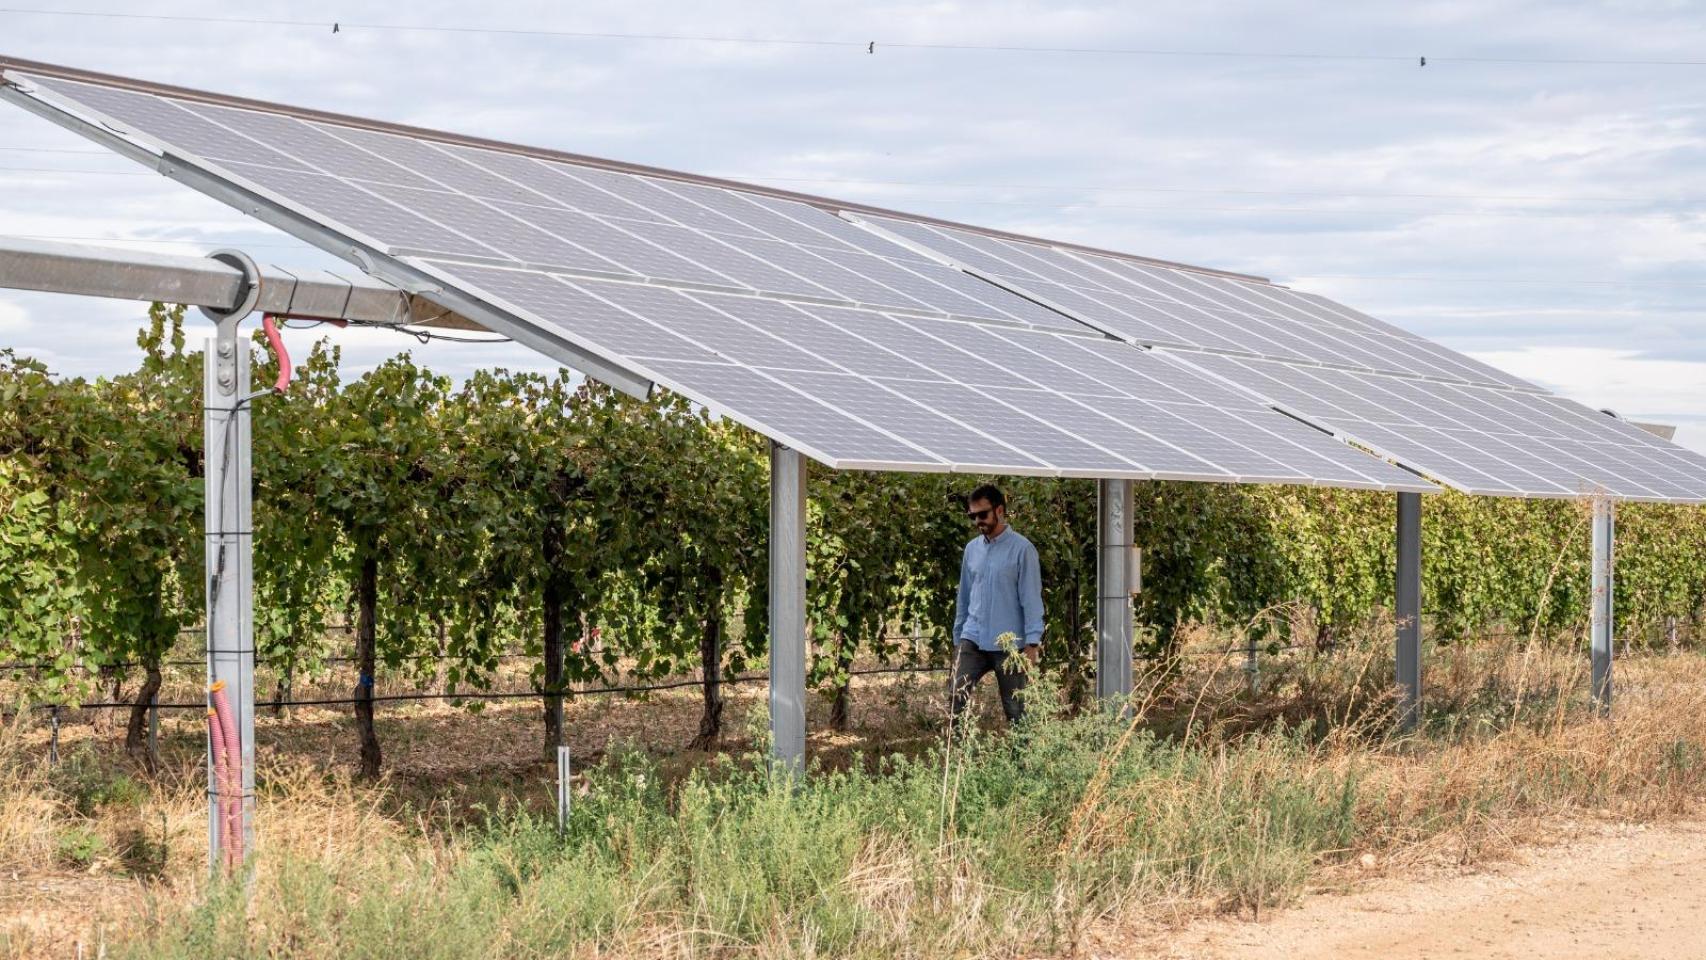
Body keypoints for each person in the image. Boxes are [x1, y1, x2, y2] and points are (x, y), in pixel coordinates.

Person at [949, 483, 1043, 725]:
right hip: (973, 638)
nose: (977, 521)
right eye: (972, 516)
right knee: (955, 699)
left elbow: (1031, 597)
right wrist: (958, 638)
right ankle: (956, 756)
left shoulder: (1023, 550)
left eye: (982, 514)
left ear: (999, 510)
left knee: (1015, 709)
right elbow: (965, 595)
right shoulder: (972, 550)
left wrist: (1032, 642)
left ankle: (1022, 760)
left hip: (1009, 644)